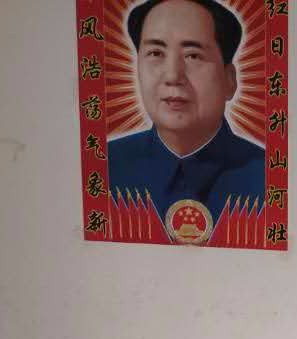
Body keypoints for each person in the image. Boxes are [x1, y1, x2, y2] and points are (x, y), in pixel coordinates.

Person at [107, 0, 265, 243]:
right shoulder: (105, 167)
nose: (172, 76)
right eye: (156, 53)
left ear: (229, 79)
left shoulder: (269, 177)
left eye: (193, 55)